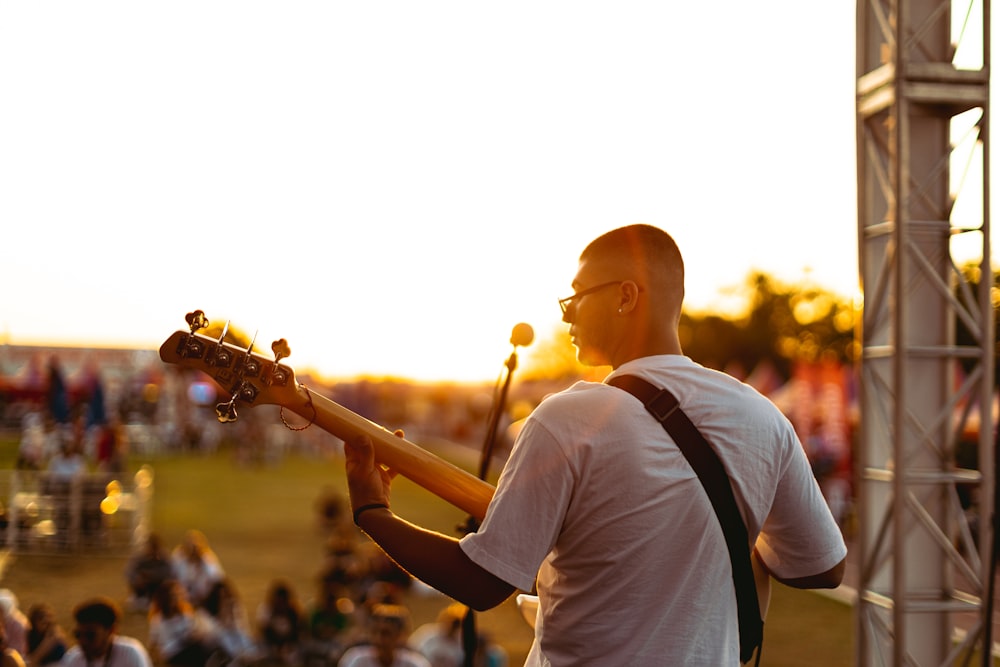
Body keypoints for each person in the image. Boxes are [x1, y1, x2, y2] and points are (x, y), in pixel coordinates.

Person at [343, 224, 848, 666]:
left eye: (577, 295)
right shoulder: (764, 417)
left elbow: (482, 583)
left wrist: (371, 510)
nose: (567, 316)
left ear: (626, 296)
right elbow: (823, 568)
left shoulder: (569, 418)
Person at [61, 597, 153, 667]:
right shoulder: (73, 659)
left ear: (111, 630)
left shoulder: (130, 653)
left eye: (90, 635)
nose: (83, 641)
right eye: (78, 635)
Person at [146, 579, 220, 667]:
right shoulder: (158, 619)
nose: (175, 599)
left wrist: (199, 635)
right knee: (200, 649)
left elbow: (192, 632)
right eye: (172, 596)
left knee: (208, 645)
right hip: (173, 653)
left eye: (177, 596)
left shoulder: (184, 615)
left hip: (187, 647)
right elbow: (153, 641)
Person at [337, 604, 429, 667]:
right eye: (375, 632)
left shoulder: (415, 664)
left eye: (386, 633)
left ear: (399, 635)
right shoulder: (355, 660)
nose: (378, 639)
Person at [171, 529, 225, 608]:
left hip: (204, 599)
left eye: (196, 548)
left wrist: (203, 561)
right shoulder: (179, 557)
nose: (193, 551)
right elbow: (172, 576)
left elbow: (217, 578)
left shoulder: (207, 558)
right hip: (182, 596)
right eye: (190, 548)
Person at [125, 532, 177, 612]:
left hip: (157, 584)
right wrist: (137, 578)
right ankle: (140, 598)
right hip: (142, 585)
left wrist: (149, 575)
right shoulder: (139, 557)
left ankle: (155, 601)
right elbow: (129, 571)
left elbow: (168, 572)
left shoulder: (164, 557)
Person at [407, 603, 464, 667]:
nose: (452, 627)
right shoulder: (427, 633)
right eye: (452, 622)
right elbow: (411, 650)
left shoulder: (461, 643)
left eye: (457, 624)